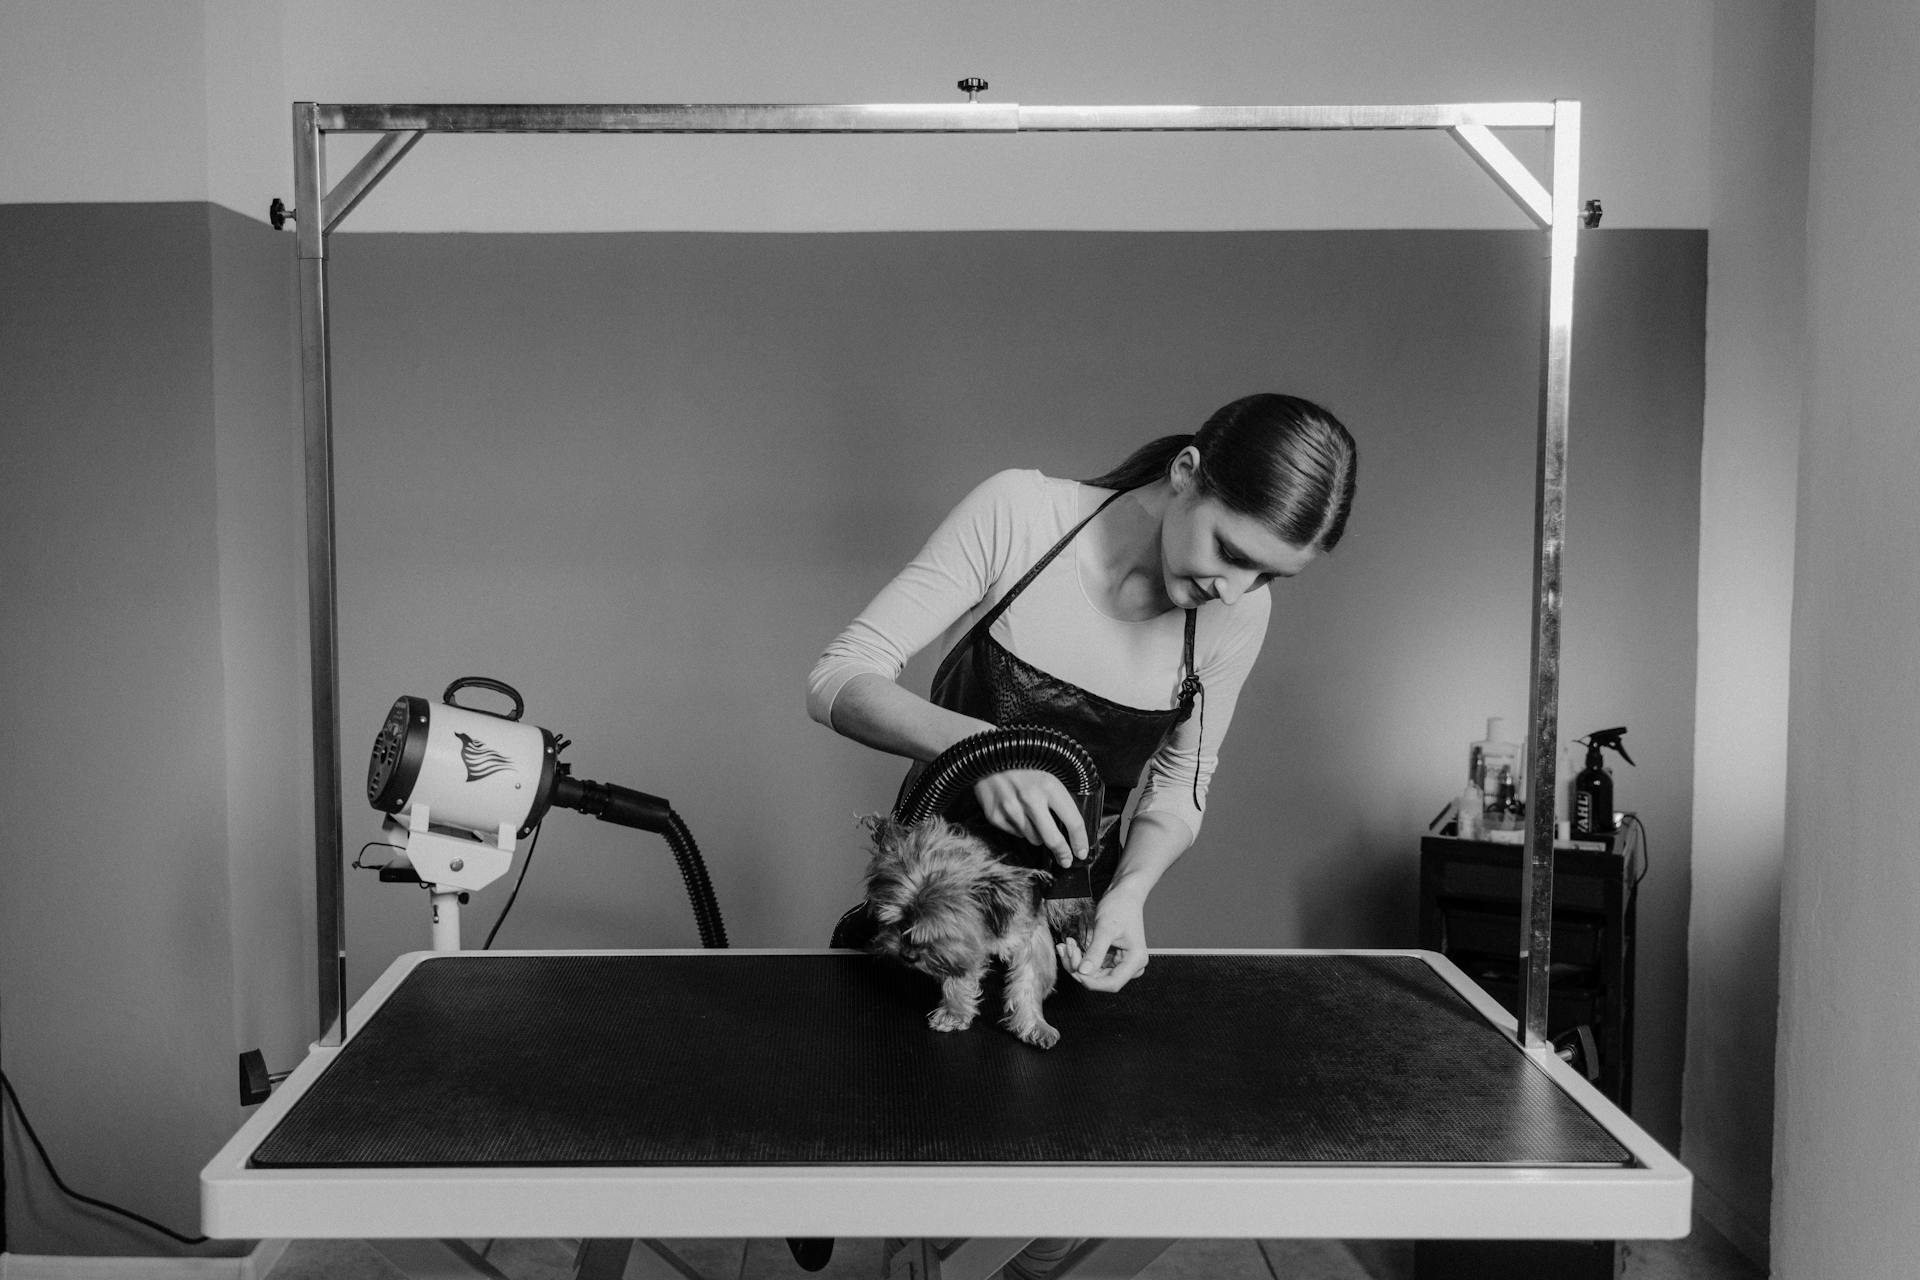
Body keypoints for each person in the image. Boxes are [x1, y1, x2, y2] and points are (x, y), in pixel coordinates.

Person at [806, 392, 1358, 991]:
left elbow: (1181, 786)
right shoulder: (1021, 515)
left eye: (1268, 575)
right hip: (923, 930)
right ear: (1186, 473)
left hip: (1062, 951)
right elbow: (838, 677)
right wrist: (985, 751)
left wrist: (1130, 893)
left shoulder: (1241, 613)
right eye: (1230, 551)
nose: (1235, 590)